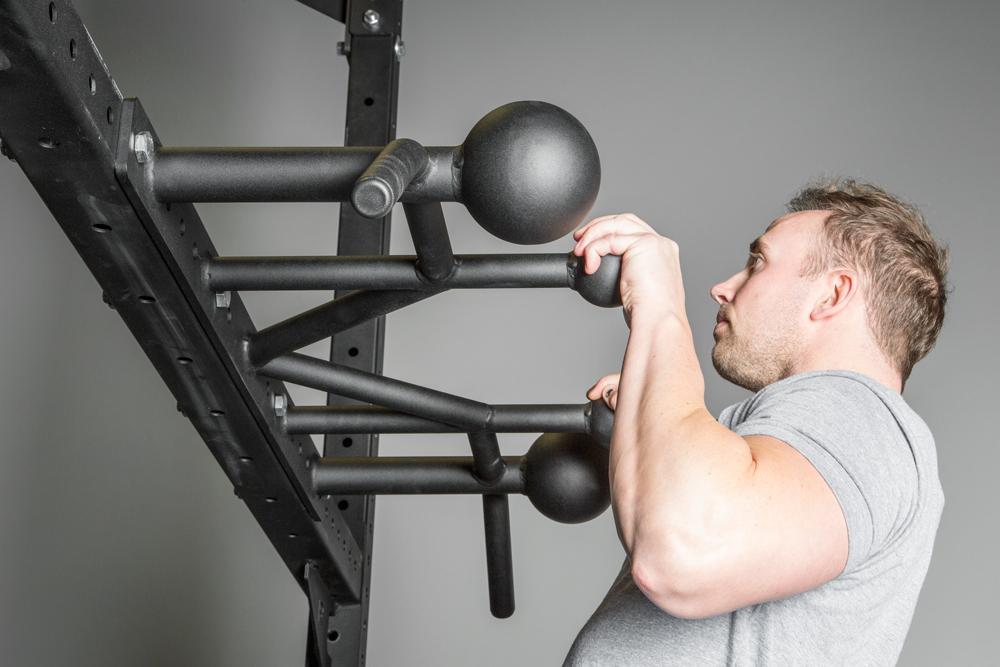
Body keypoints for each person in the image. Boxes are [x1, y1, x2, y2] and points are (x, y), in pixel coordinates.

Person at [563, 180, 949, 666]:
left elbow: (680, 553)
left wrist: (659, 306)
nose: (723, 288)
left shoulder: (859, 413)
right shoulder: (822, 431)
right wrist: (655, 414)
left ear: (832, 294)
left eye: (758, 262)